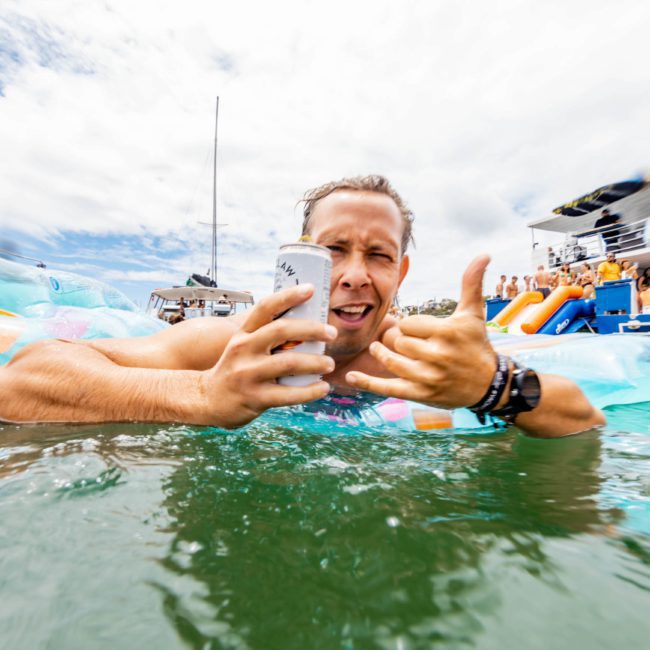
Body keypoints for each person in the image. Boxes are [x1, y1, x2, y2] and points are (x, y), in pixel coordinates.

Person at [0, 175, 604, 437]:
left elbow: (583, 420)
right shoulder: (232, 345)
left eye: (379, 255)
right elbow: (24, 379)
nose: (355, 276)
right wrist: (200, 396)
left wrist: (492, 387)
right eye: (334, 252)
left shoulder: (422, 361)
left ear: (403, 273)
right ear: (299, 260)